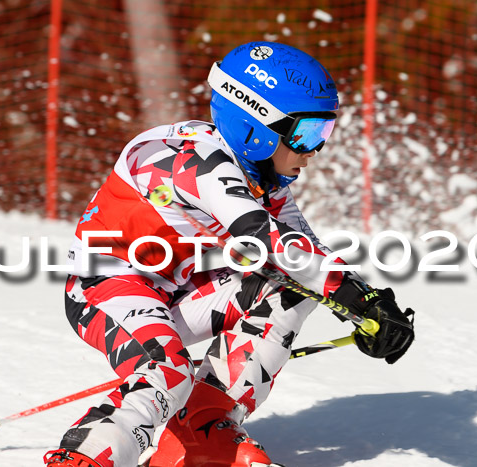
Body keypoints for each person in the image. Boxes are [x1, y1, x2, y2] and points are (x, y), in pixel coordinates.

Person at [44, 41, 415, 467]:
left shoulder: (263, 177)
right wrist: (349, 297)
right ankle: (85, 458)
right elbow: (262, 236)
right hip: (104, 290)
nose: (313, 152)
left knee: (291, 289)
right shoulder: (187, 159)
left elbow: (305, 250)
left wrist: (366, 303)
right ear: (256, 125)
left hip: (177, 295)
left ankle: (200, 430)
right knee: (167, 368)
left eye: (324, 134)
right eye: (307, 134)